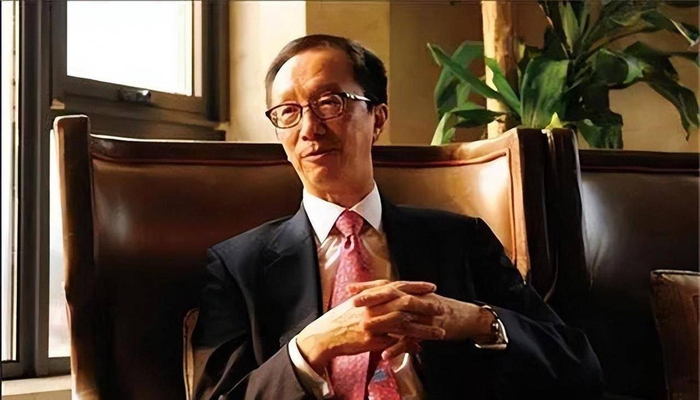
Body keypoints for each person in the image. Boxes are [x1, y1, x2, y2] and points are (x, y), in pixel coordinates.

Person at [192, 34, 603, 400]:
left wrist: (476, 321)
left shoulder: (460, 240)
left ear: (378, 118)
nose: (309, 129)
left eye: (329, 103)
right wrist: (313, 346)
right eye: (288, 112)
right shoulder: (238, 266)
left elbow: (579, 368)